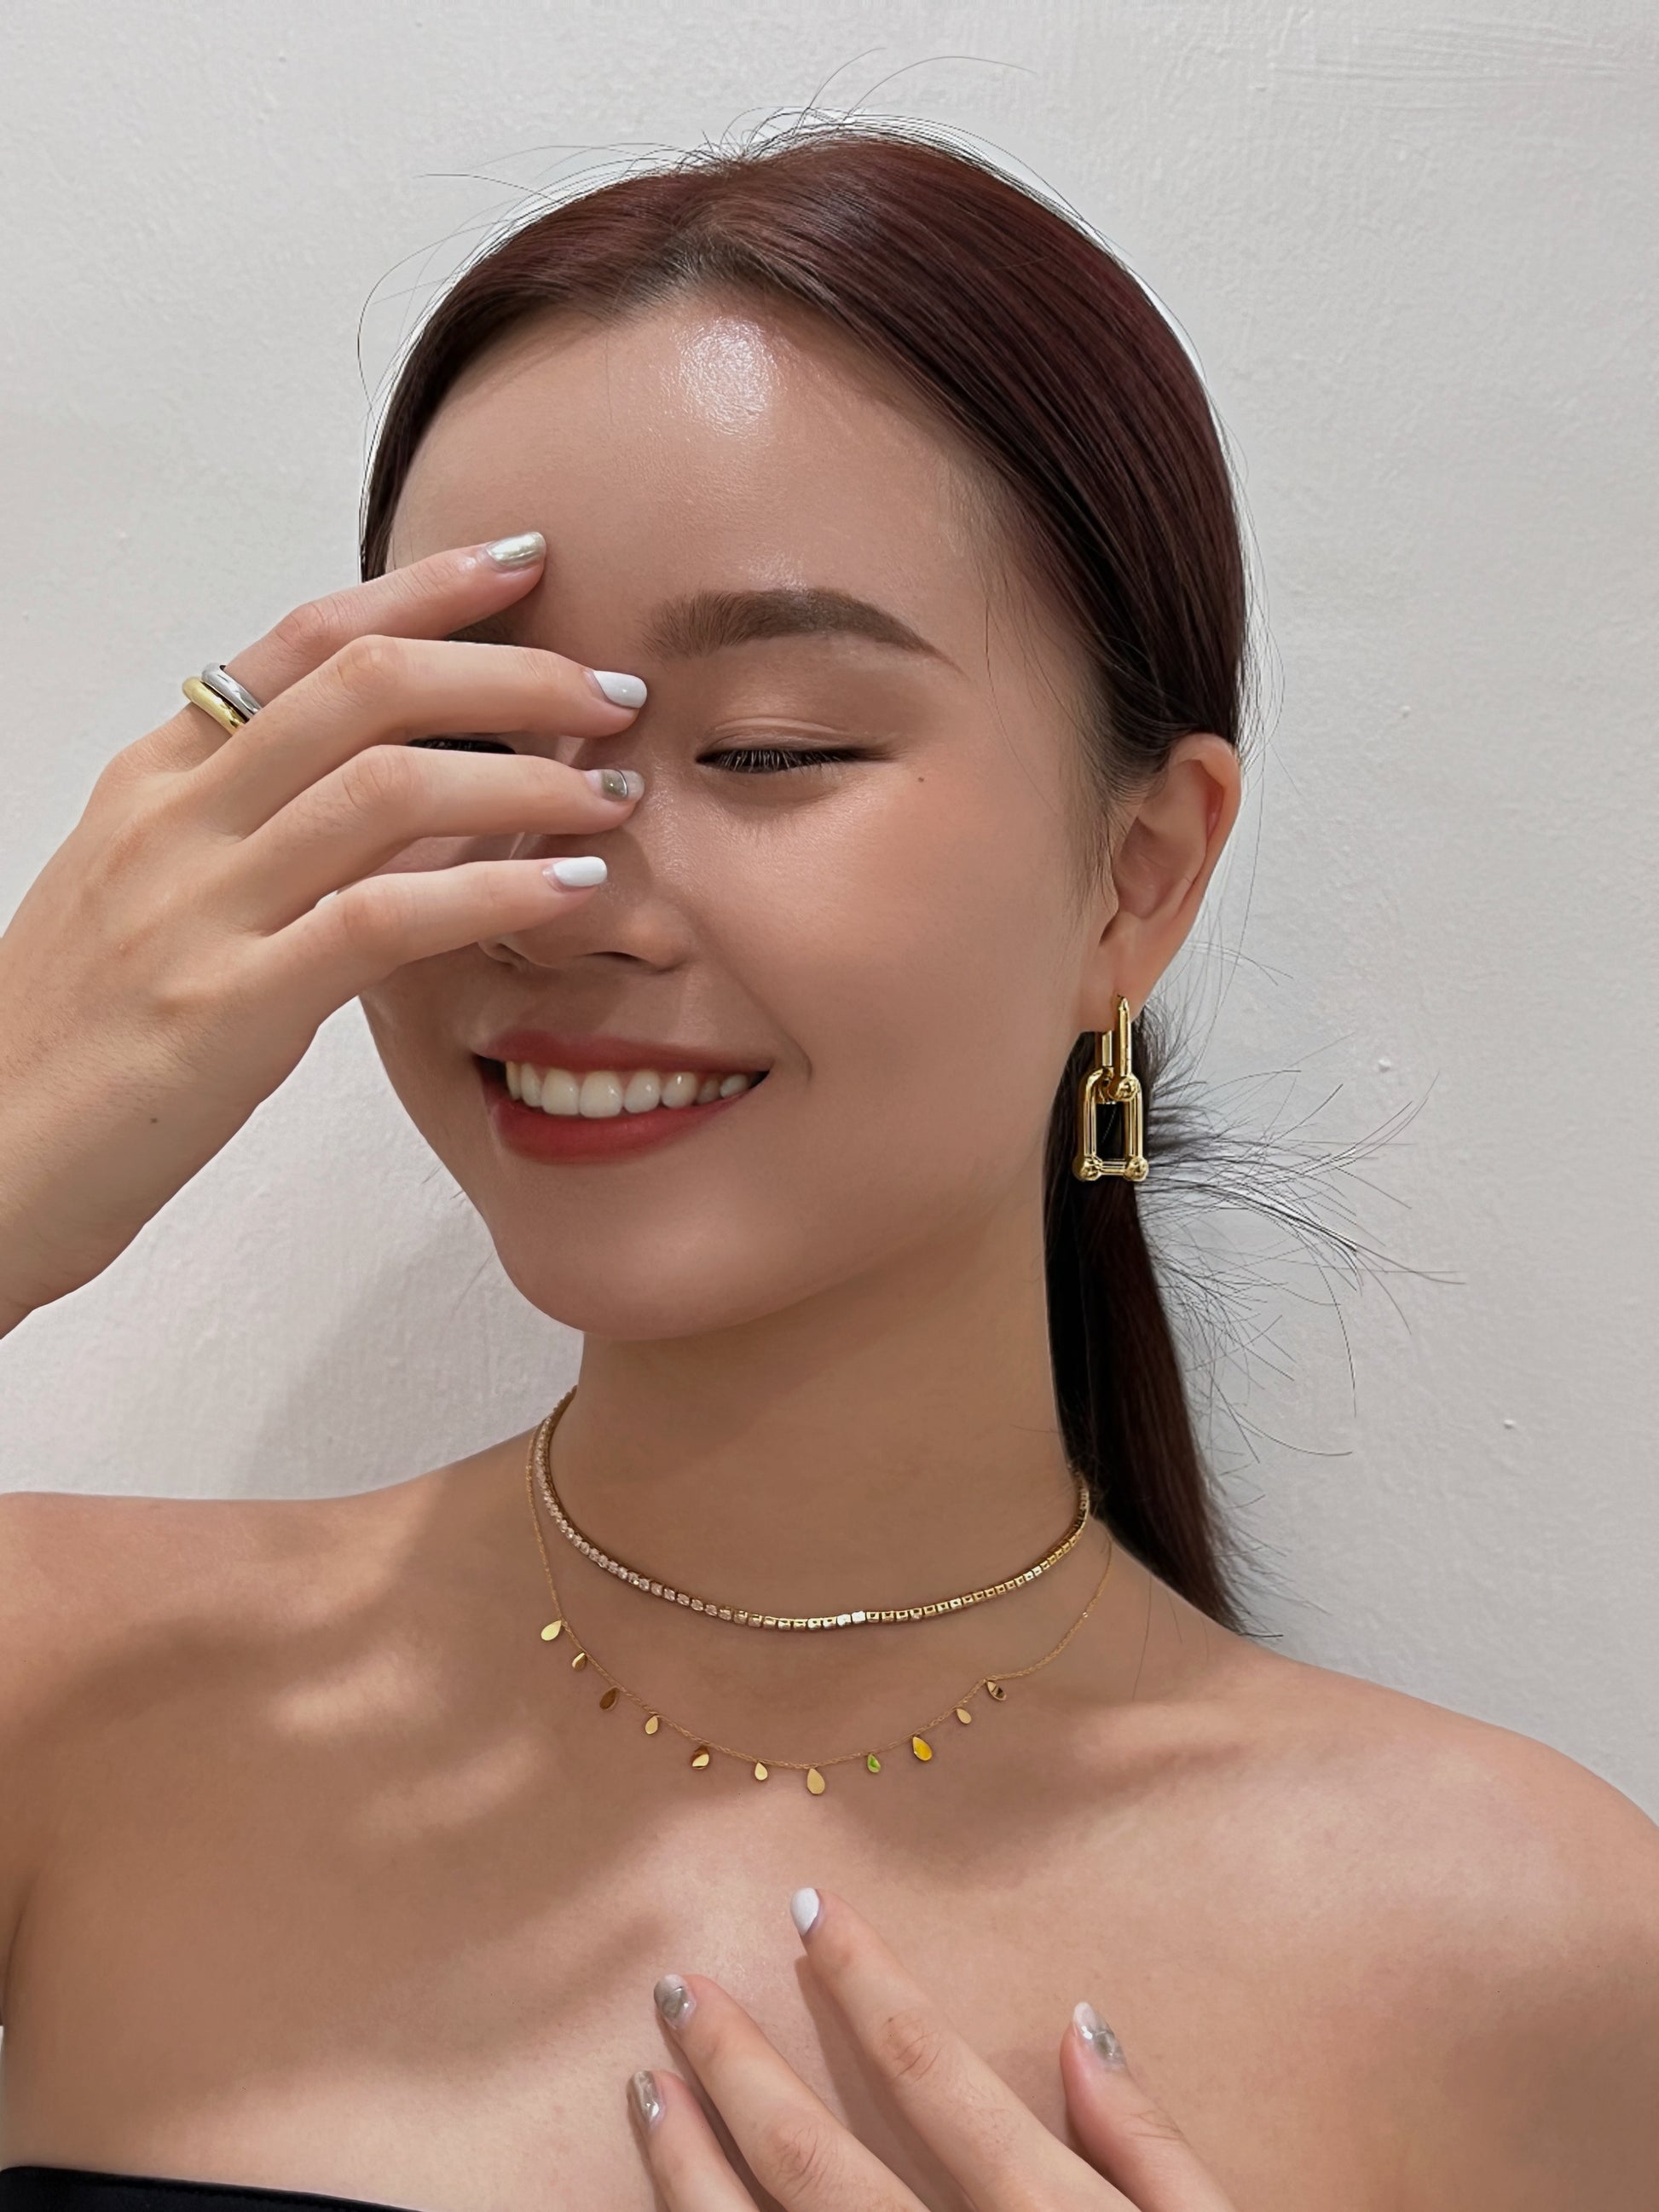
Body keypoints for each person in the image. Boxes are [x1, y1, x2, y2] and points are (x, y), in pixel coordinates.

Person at [0, 123, 1653, 2212]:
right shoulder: (61, 1686)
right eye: (477, 749)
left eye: (768, 746)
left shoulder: (1523, 1951)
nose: (570, 901)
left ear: (1138, 875)